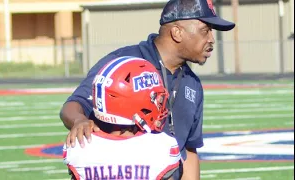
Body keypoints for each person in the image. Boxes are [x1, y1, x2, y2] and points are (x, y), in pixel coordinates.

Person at [60, 0, 235, 179]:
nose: (212, 39)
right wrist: (79, 120)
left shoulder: (193, 83)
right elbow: (74, 105)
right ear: (177, 32)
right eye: (205, 30)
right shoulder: (123, 62)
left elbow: (188, 148)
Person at [63, 56, 181, 180]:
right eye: (156, 98)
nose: (160, 103)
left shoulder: (78, 147)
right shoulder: (162, 146)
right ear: (136, 103)